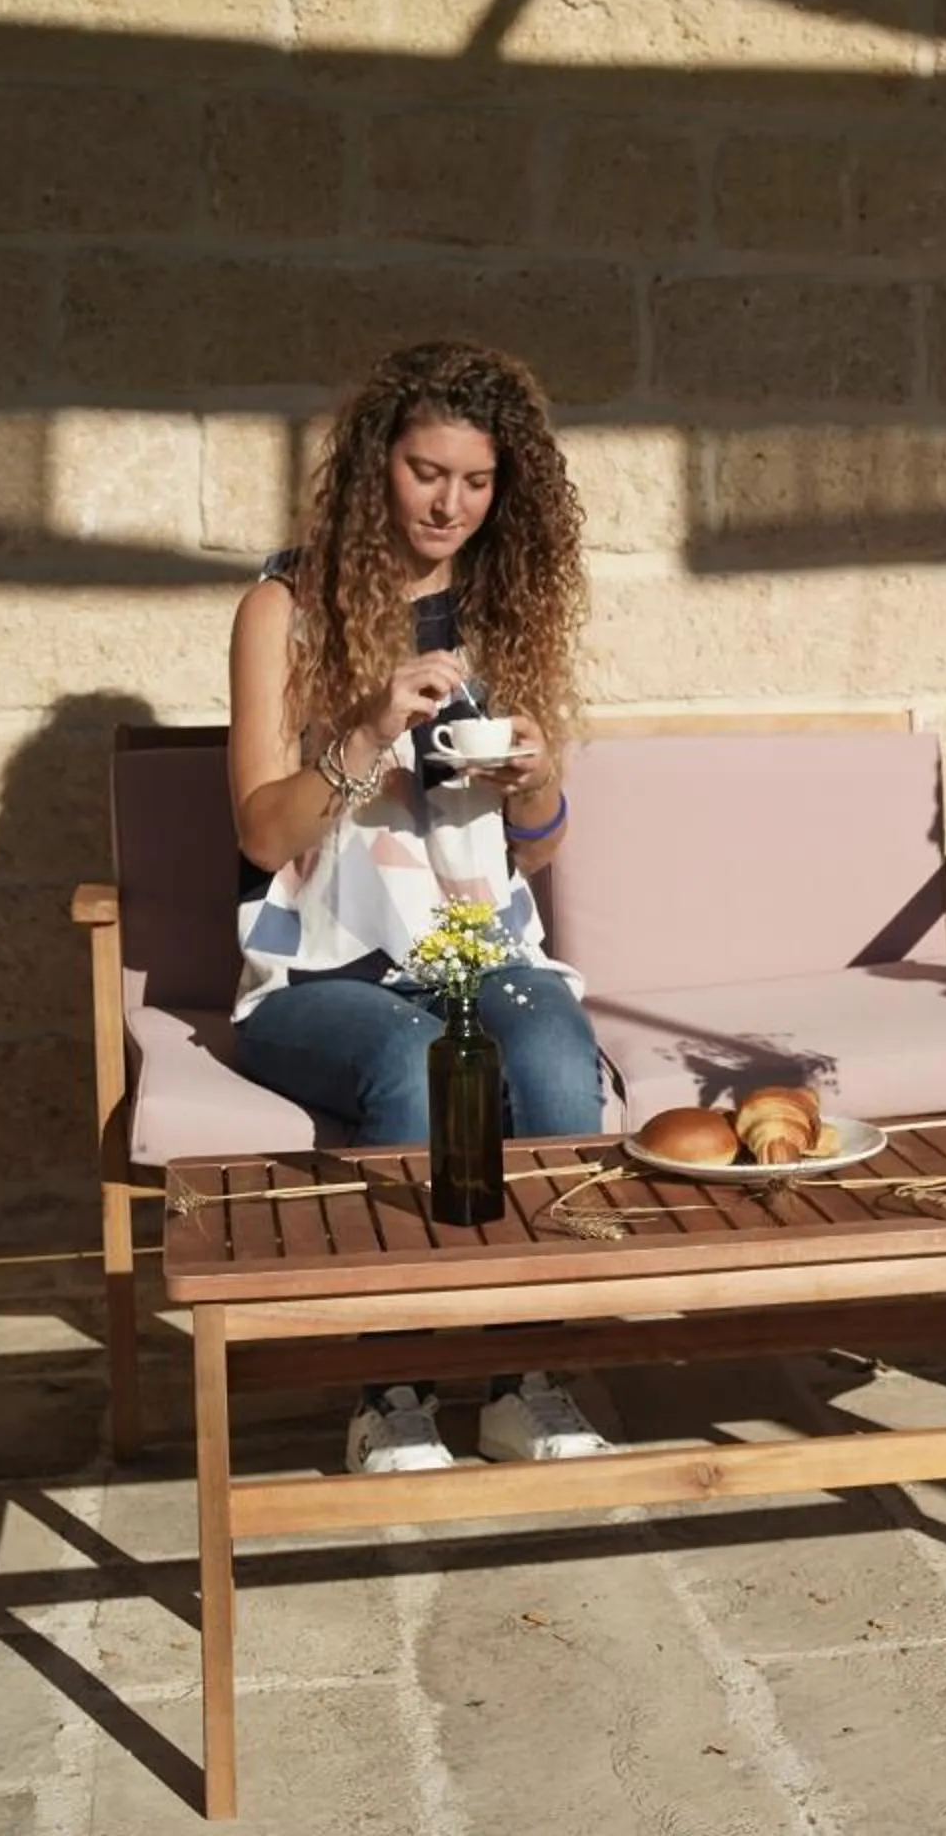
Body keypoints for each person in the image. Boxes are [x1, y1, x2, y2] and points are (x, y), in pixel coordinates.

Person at [227, 338, 612, 1476]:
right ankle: (387, 1389)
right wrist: (363, 731)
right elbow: (259, 832)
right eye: (426, 471)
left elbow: (535, 851)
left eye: (478, 481)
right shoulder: (282, 607)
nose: (450, 502)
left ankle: (521, 1373)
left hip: (477, 944)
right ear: (375, 465)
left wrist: (536, 780)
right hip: (316, 973)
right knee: (409, 1060)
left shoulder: (501, 613)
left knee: (548, 1048)